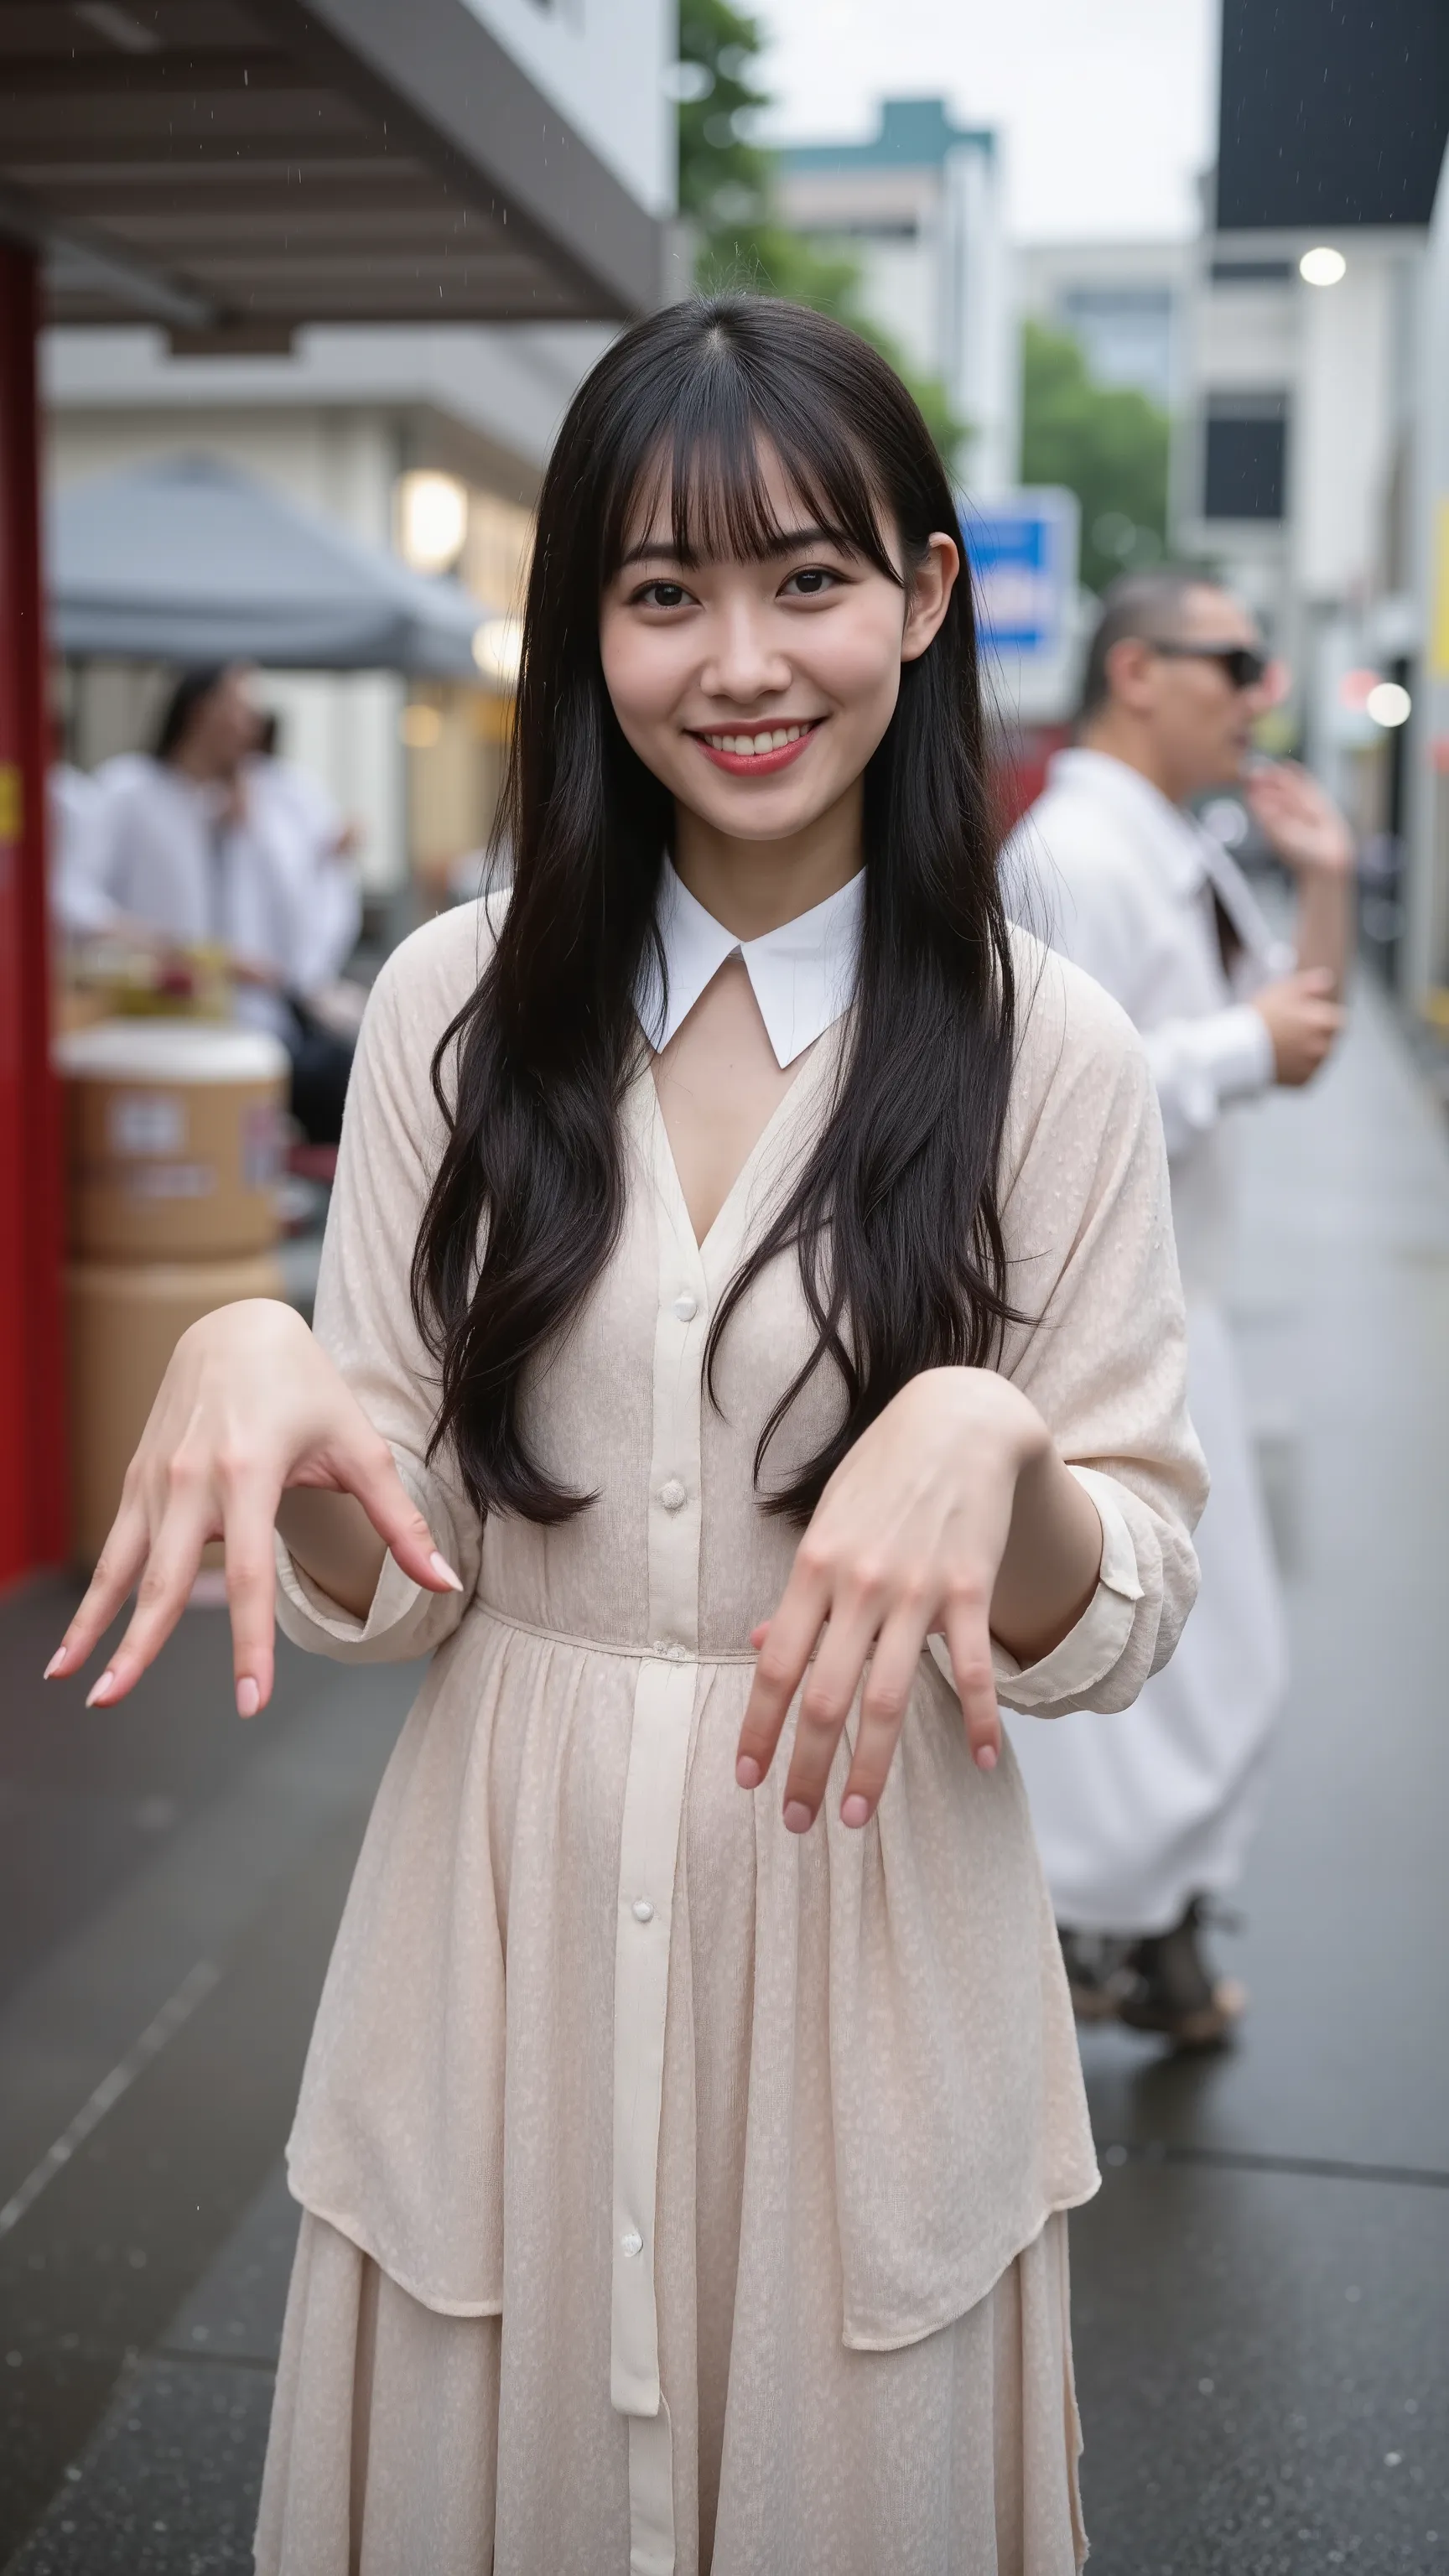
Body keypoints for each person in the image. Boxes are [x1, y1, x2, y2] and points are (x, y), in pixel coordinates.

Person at [47, 301, 1207, 2574]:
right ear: (587, 630)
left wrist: (1001, 1448)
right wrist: (269, 1389)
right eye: (665, 593)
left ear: (930, 599)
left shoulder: (1052, 1051)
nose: (742, 661)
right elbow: (391, 1585)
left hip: (880, 1958)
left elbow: (1125, 1614)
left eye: (807, 578)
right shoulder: (450, 1015)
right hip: (498, 1949)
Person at [1005, 568, 1352, 2049]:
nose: (1255, 691)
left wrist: (1322, 882)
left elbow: (1299, 1042)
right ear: (1135, 671)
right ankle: (1093, 1932)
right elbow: (1028, 1101)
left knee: (1210, 1662)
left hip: (1171, 1297)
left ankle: (1133, 1926)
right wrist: (1231, 1041)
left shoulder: (1174, 844)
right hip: (1097, 1311)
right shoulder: (1066, 850)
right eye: (1235, 661)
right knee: (1155, 1661)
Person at [55, 667, 356, 1141]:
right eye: (240, 709)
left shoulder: (268, 798)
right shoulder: (130, 790)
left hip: (254, 1029)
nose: (252, 725)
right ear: (201, 711)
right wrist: (170, 947)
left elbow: (303, 925)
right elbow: (71, 896)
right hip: (155, 1025)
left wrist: (256, 833)